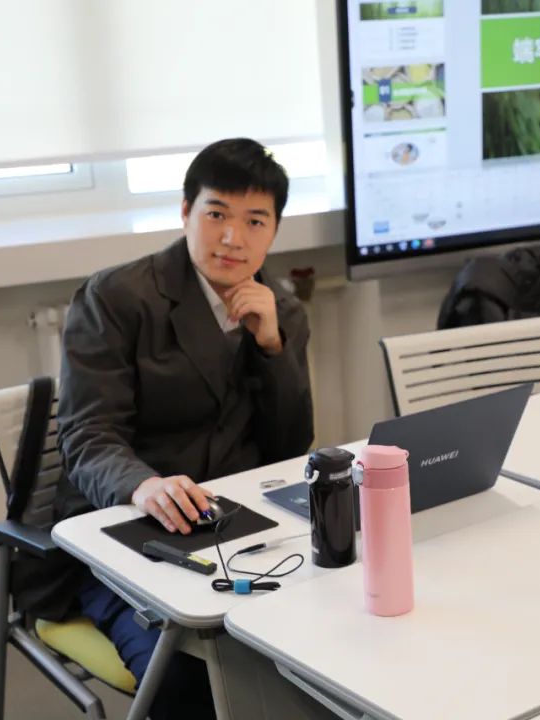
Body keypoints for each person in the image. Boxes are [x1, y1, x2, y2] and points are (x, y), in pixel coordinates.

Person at [51, 138, 314, 718]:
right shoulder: (116, 298)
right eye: (216, 214)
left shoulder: (281, 310)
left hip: (235, 529)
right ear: (186, 212)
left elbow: (291, 447)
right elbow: (88, 436)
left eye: (255, 221)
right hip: (126, 531)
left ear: (274, 230)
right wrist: (143, 486)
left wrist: (272, 349)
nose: (233, 237)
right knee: (188, 680)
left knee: (319, 642)